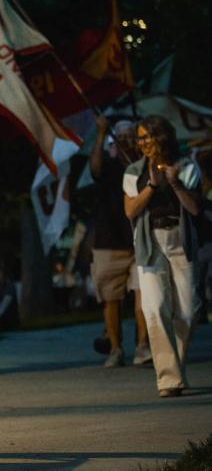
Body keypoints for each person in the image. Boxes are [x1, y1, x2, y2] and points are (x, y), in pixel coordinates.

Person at [123, 115, 202, 397]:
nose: (143, 143)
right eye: (140, 137)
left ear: (163, 137)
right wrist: (152, 186)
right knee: (155, 308)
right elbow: (131, 211)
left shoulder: (186, 166)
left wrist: (176, 183)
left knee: (188, 311)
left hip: (181, 240)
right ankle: (168, 379)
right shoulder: (134, 170)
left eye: (148, 137)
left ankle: (176, 367)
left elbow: (195, 209)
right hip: (150, 242)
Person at [89, 117, 150, 367]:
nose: (125, 139)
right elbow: (95, 169)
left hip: (138, 241)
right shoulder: (109, 166)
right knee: (110, 298)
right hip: (109, 243)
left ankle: (142, 346)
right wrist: (101, 134)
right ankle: (115, 348)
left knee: (142, 295)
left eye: (129, 135)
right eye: (120, 135)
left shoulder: (142, 167)